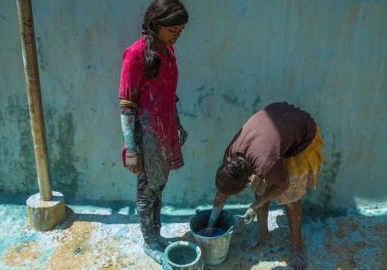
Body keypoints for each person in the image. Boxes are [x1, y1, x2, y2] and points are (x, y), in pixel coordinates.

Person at [205, 102, 324, 270]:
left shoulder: (265, 164)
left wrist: (255, 207)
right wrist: (210, 225)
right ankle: (262, 232)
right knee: (260, 188)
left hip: (302, 136)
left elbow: (283, 184)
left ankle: (297, 246)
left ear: (247, 181)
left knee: (290, 198)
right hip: (276, 130)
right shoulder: (231, 156)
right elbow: (222, 192)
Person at [118, 0, 188, 264]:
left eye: (180, 30)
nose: (178, 35)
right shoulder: (135, 55)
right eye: (173, 30)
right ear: (155, 25)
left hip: (165, 131)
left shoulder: (168, 53)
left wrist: (177, 124)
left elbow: (168, 95)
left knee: (159, 186)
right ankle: (149, 242)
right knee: (148, 190)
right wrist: (132, 150)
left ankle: (156, 235)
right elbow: (126, 106)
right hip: (146, 135)